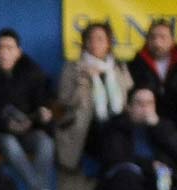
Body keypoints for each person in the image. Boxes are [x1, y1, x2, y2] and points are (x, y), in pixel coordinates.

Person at [0, 28, 56, 190]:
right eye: (0, 48)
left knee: (45, 143)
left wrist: (40, 116)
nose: (5, 52)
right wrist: (6, 124)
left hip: (29, 130)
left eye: (10, 48)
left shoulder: (32, 71)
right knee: (9, 144)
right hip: (1, 132)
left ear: (18, 51)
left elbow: (44, 103)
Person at [55, 21, 132, 174]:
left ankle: (116, 176)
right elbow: (66, 100)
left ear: (108, 44)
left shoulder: (118, 66)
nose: (94, 43)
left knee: (117, 133)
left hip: (116, 123)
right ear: (84, 43)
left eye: (100, 39)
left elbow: (127, 94)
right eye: (90, 39)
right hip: (88, 124)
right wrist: (84, 80)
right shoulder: (73, 67)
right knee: (113, 142)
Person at [127, 20, 177, 119]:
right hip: (144, 120)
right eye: (153, 37)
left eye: (163, 37)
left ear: (173, 40)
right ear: (147, 40)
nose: (157, 42)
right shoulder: (134, 65)